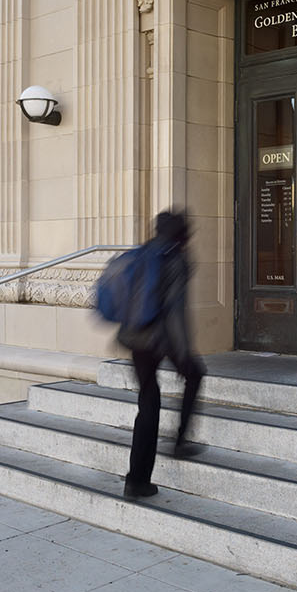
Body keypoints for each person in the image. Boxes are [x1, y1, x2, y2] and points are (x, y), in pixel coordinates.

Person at [120, 208, 206, 500]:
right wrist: (182, 354)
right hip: (159, 338)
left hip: (134, 337)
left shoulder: (145, 251)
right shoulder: (175, 258)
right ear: (182, 235)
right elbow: (174, 312)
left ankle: (136, 479)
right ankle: (179, 443)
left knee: (148, 404)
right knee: (195, 374)